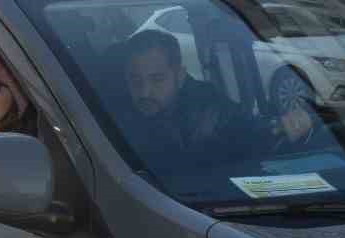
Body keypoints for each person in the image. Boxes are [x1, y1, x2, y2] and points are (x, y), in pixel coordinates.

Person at [121, 30, 318, 164]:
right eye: (135, 80)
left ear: (180, 76)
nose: (144, 92)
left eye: (157, 80)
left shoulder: (210, 112)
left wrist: (284, 128)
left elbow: (246, 132)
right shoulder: (106, 113)